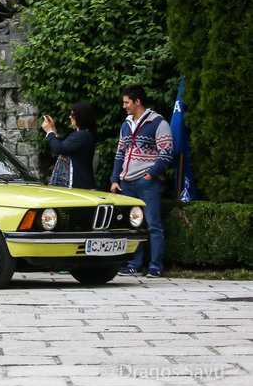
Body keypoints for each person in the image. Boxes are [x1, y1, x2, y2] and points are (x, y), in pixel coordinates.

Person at [111, 86, 173, 278]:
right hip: (127, 182)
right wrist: (115, 179)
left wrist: (150, 174)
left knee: (153, 224)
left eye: (127, 102)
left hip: (146, 182)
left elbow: (167, 152)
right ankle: (133, 264)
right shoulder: (126, 125)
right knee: (132, 226)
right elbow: (120, 153)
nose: (124, 106)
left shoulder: (158, 122)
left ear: (137, 102)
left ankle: (155, 266)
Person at [41, 102, 97, 189]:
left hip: (79, 186)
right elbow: (65, 146)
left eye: (72, 114)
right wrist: (53, 129)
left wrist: (50, 132)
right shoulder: (83, 135)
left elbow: (59, 148)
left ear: (81, 116)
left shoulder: (82, 136)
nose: (70, 117)